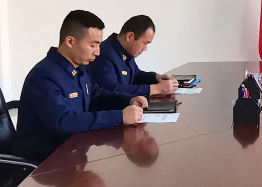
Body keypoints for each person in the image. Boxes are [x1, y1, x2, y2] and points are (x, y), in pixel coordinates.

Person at [15, 10, 147, 163]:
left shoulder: (77, 70)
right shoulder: (44, 75)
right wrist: (120, 116)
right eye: (93, 45)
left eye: (99, 45)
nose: (98, 52)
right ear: (70, 42)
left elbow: (96, 95)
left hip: (72, 153)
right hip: (43, 162)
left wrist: (129, 100)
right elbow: (65, 121)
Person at [86, 15, 178, 96]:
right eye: (145, 43)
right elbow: (110, 89)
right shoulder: (104, 54)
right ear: (130, 36)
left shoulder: (124, 51)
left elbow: (135, 76)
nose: (145, 48)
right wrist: (155, 89)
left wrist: (155, 77)